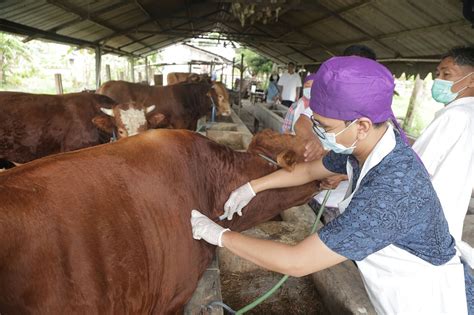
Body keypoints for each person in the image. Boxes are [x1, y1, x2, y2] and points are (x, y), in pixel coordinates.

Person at [191, 56, 473, 315]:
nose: (317, 133)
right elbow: (310, 170)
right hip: (397, 291)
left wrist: (220, 235)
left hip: (433, 302)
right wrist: (253, 186)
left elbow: (296, 261)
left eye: (323, 126)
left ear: (361, 125)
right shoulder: (367, 145)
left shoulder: (390, 193)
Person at [412, 46, 474, 266]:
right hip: (448, 213)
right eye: (438, 74)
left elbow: (415, 167)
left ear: (472, 80)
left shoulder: (454, 115)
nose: (439, 80)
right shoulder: (469, 114)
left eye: (447, 74)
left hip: (423, 215)